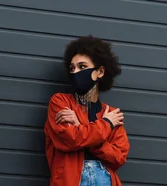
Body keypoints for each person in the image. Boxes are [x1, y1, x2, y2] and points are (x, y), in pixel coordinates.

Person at [44, 36, 130, 186]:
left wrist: (81, 127)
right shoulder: (60, 102)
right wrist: (106, 124)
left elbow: (118, 158)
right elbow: (70, 140)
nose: (75, 72)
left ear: (100, 72)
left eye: (82, 67)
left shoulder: (112, 112)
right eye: (72, 68)